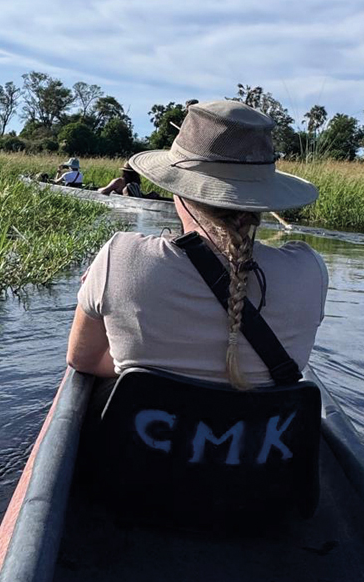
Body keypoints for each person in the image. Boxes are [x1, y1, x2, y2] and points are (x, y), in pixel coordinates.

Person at [66, 100, 327, 389]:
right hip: (270, 420)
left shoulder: (121, 255)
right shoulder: (310, 269)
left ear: (178, 189)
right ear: (262, 199)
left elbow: (82, 360)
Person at [99, 161, 164, 199]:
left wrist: (98, 189)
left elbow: (103, 191)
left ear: (124, 172)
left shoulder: (119, 181)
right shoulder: (136, 182)